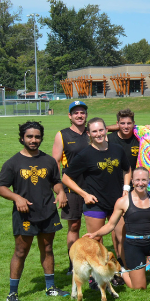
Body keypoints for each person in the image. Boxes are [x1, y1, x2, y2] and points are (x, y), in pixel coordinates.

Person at [0, 121, 68, 301]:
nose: (33, 140)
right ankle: (12, 293)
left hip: (48, 211)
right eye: (29, 136)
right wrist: (17, 198)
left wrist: (60, 192)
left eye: (37, 136)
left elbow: (55, 181)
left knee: (48, 248)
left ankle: (50, 288)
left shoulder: (49, 161)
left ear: (41, 138)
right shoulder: (13, 163)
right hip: (25, 214)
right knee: (21, 251)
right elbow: (0, 187)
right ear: (22, 138)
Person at [61, 117, 131, 264]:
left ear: (106, 130)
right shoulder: (85, 155)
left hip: (117, 201)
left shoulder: (117, 149)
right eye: (94, 131)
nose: (98, 134)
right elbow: (66, 178)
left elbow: (127, 169)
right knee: (96, 239)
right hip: (95, 203)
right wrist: (84, 194)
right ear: (88, 134)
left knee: (121, 237)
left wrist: (126, 188)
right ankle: (96, 276)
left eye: (101, 130)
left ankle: (121, 270)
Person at [50, 100, 89, 269]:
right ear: (70, 116)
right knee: (74, 225)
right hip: (71, 187)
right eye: (76, 113)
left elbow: (111, 128)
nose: (79, 115)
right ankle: (73, 264)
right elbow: (55, 164)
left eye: (82, 112)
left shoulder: (93, 132)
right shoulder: (62, 135)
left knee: (96, 224)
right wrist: (60, 191)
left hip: (92, 186)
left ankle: (94, 261)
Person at [108, 108, 140, 173]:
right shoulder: (109, 139)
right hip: (115, 180)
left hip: (134, 180)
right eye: (122, 123)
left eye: (129, 123)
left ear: (133, 123)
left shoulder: (139, 139)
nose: (126, 126)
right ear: (117, 124)